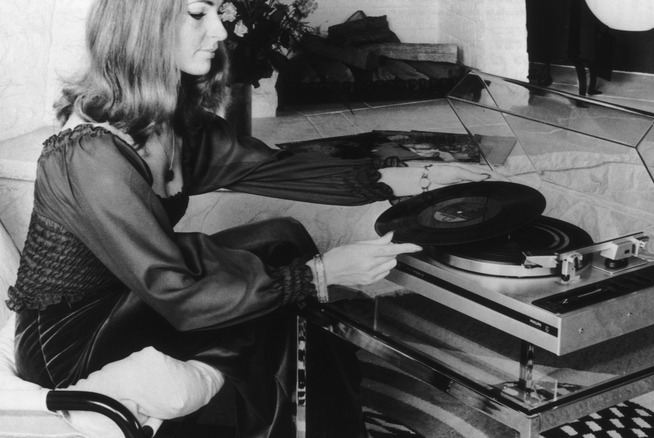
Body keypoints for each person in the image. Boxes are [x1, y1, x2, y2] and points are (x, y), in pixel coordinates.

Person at [6, 0, 495, 437]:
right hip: (71, 341)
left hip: (134, 299)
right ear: (143, 26)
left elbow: (272, 167)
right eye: (198, 13)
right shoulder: (89, 156)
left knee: (281, 238)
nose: (220, 31)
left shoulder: (163, 120)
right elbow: (178, 293)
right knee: (273, 287)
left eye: (217, 12)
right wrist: (320, 274)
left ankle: (318, 422)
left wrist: (416, 175)